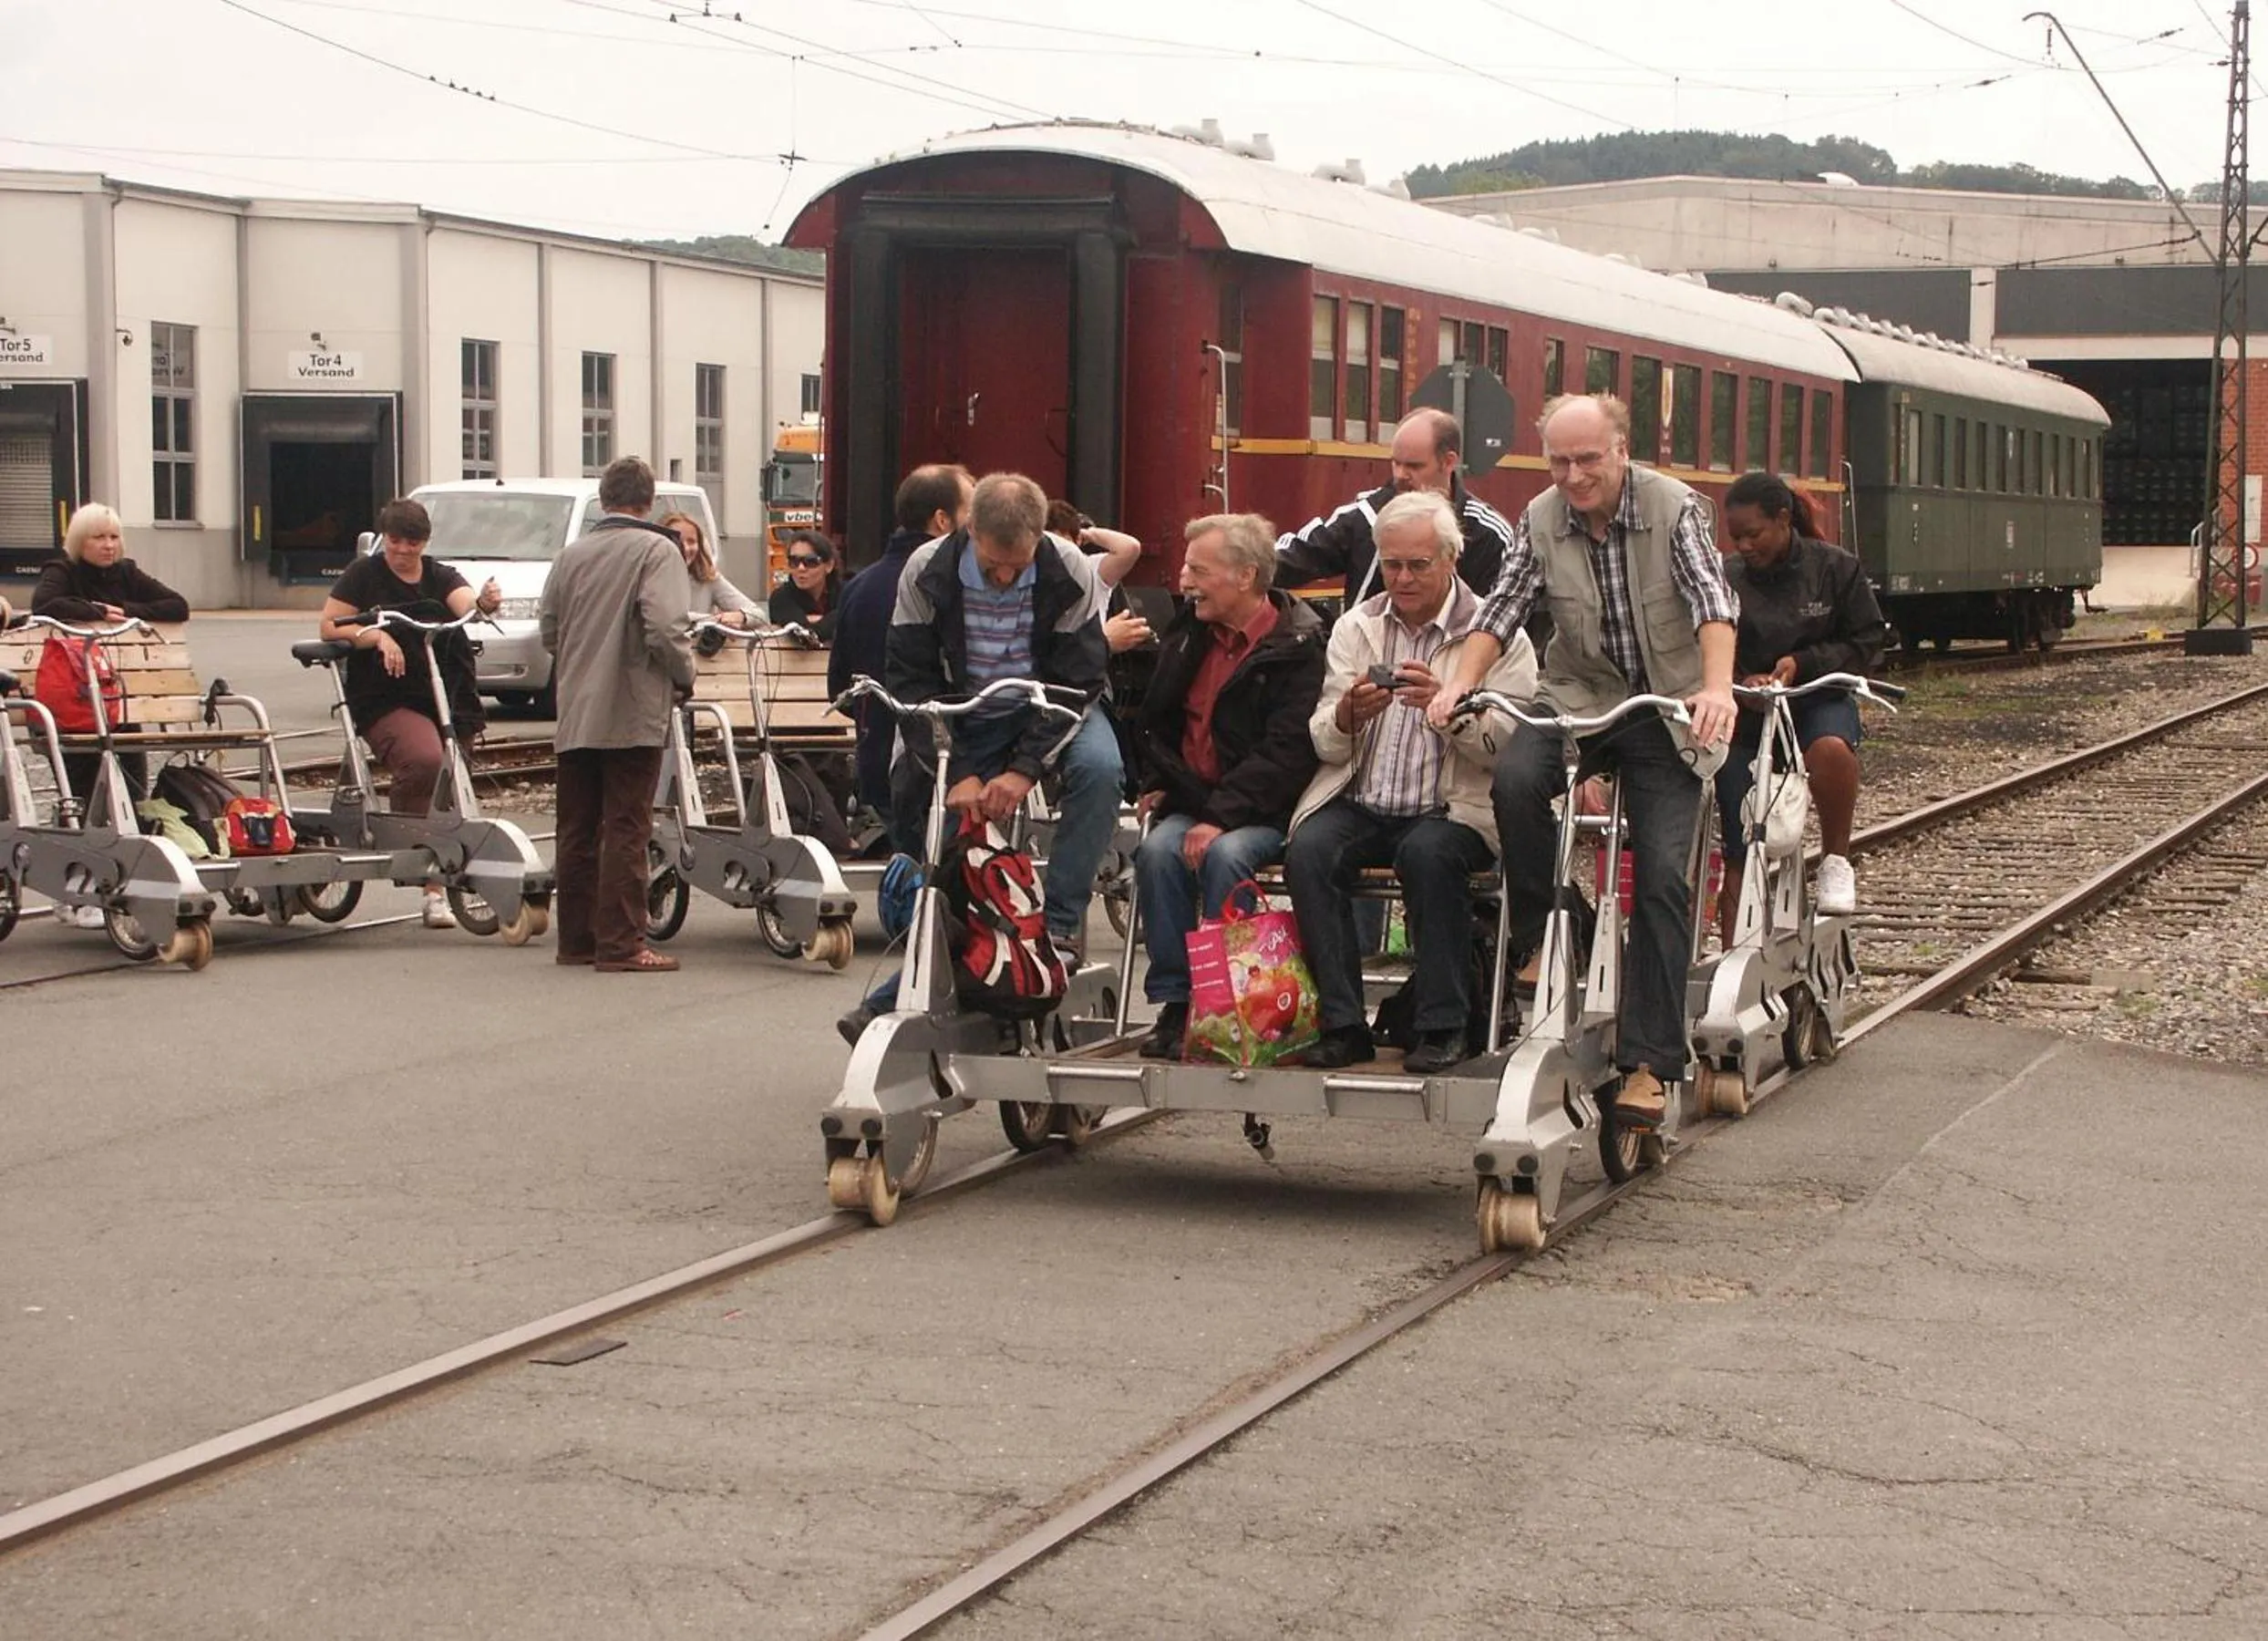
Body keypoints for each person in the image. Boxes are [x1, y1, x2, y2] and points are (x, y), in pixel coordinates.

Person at [1430, 393, 1739, 1131]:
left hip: (1667, 708)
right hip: (1577, 694)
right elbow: (1500, 612)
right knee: (1516, 778)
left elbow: (1711, 603)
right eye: (1560, 461)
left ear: (1622, 450)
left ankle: (1648, 1065)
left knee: (1663, 878)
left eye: (1587, 459)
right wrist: (1460, 683)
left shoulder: (1676, 508)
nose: (1573, 476)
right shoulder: (1541, 518)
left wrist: (1717, 691)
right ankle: (1549, 932)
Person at [1284, 491, 1536, 1072]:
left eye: (1418, 565)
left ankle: (1443, 1025)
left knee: (1429, 855)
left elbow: (1511, 749)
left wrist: (1453, 714)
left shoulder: (1498, 636)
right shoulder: (1357, 626)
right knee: (1310, 848)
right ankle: (1342, 1024)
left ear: (1452, 560)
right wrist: (1348, 716)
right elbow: (1323, 740)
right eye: (1391, 564)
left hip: (1454, 809)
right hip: (1365, 799)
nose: (1401, 578)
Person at [885, 470, 1120, 957]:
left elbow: (1078, 680)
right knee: (931, 802)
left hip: (1050, 706)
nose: (1006, 576)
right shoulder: (926, 570)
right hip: (962, 710)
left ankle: (1058, 924)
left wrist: (1025, 768)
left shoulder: (1070, 567)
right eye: (994, 563)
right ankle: (956, 934)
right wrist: (961, 771)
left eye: (1020, 563)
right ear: (970, 530)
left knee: (1101, 769)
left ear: (1041, 536)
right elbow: (910, 680)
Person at [1129, 512, 1326, 1059]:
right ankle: (1176, 1002)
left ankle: (1232, 1005)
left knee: (1225, 857)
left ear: (1245, 576)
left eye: (1198, 569)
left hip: (1267, 810)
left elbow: (1287, 753)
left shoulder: (1299, 645)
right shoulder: (1190, 631)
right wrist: (1158, 782)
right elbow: (1159, 718)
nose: (1184, 580)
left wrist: (1220, 816)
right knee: (1156, 853)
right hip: (1198, 800)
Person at [539, 455, 695, 973]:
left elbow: (549, 630)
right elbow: (666, 627)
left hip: (576, 710)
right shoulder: (657, 549)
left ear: (604, 499)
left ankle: (576, 940)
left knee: (577, 830)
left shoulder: (571, 554)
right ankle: (623, 944)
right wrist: (684, 674)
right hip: (632, 708)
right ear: (648, 502)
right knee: (628, 825)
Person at [319, 498, 501, 929]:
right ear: (385, 539)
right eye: (396, 541)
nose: (403, 550)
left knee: (452, 777)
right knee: (425, 760)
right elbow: (329, 626)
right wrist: (374, 636)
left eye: (413, 542)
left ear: (425, 542)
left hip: (444, 692)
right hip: (386, 698)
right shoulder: (363, 574)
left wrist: (485, 603)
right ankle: (422, 871)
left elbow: (466, 605)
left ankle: (446, 878)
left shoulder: (439, 575)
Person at [1716, 470, 1886, 929]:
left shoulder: (1835, 568)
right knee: (1739, 840)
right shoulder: (1725, 575)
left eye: (1754, 534)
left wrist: (1803, 663)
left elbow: (1868, 641)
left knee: (1830, 749)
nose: (1745, 547)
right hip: (1748, 712)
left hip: (1816, 698)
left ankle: (1835, 860)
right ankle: (1737, 967)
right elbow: (1706, 639)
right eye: (1736, 538)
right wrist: (1738, 680)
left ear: (1784, 519)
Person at [33, 504, 191, 925]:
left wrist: (124, 608)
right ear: (78, 542)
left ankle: (131, 885)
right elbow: (44, 604)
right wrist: (98, 612)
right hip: (71, 712)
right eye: (98, 538)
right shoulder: (61, 570)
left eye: (114, 537)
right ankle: (76, 891)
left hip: (119, 708)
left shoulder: (127, 572)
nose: (108, 546)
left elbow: (177, 606)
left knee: (133, 796)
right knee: (87, 798)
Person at [830, 464, 974, 823]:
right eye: (972, 511)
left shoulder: (859, 586)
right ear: (943, 520)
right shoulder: (956, 585)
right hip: (947, 772)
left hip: (878, 765)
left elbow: (840, 687)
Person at [1273, 408, 1511, 605]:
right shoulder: (1366, 516)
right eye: (1395, 463)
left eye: (1414, 466)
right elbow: (1294, 557)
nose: (1400, 475)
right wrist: (1245, 568)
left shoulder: (1488, 536)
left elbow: (1499, 620)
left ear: (1449, 462)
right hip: (1366, 657)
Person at [663, 511, 761, 628]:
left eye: (691, 541)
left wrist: (741, 617)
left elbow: (759, 615)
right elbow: (669, 618)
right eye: (677, 541)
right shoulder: (649, 578)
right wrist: (713, 620)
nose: (685, 548)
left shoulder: (708, 579)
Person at [768, 530, 843, 641]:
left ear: (829, 566)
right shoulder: (780, 597)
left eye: (811, 561)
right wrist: (837, 619)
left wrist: (817, 621)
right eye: (794, 561)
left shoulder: (847, 593)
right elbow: (804, 634)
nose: (801, 568)